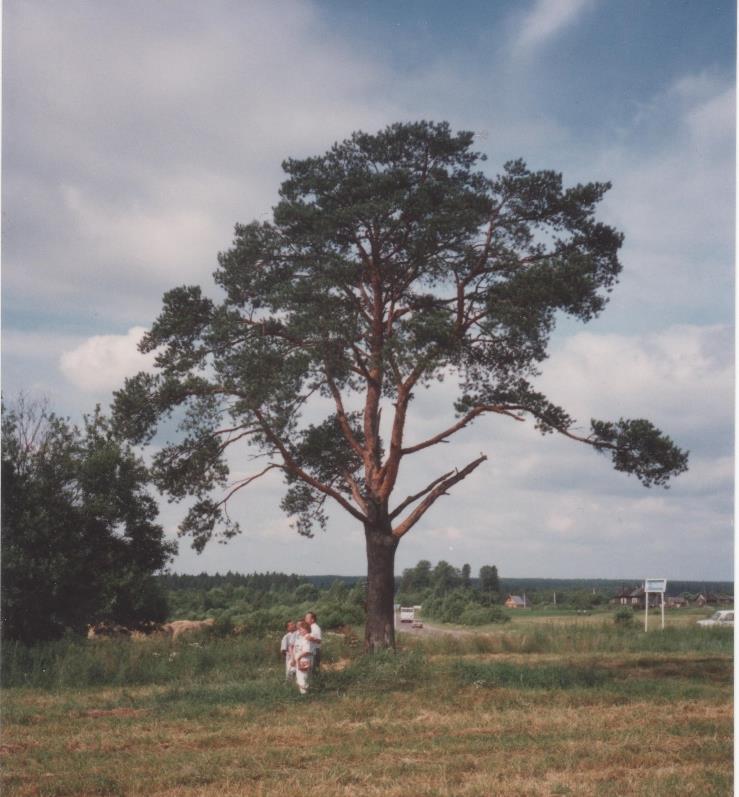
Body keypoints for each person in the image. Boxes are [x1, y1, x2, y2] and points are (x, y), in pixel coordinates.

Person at [292, 620, 313, 694]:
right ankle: (303, 693)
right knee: (300, 677)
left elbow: (307, 651)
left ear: (306, 630)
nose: (299, 631)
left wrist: (298, 657)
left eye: (301, 629)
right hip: (299, 660)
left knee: (303, 677)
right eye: (299, 629)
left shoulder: (307, 638)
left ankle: (304, 695)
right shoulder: (301, 638)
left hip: (304, 660)